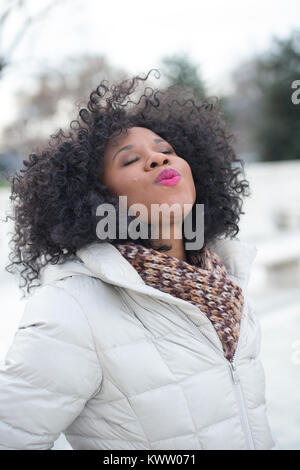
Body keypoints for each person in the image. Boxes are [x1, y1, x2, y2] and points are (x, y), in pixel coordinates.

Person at [0, 69, 279, 450]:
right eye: (129, 160)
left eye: (166, 151)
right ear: (98, 197)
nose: (156, 160)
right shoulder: (72, 306)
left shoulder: (228, 280)